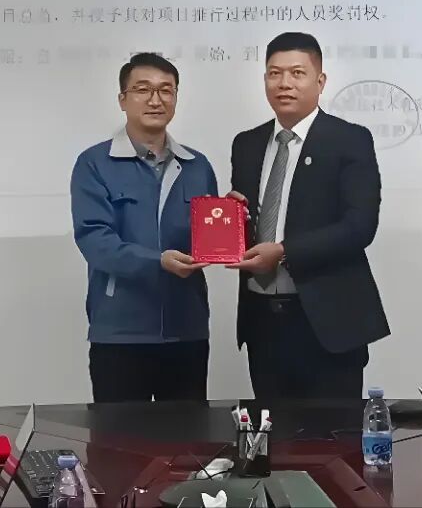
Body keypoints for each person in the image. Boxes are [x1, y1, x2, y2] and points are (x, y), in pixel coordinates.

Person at [227, 32, 390, 400]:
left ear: (320, 81)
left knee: (334, 433)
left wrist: (284, 251)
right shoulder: (246, 143)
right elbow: (254, 220)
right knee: (270, 431)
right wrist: (231, 219)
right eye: (274, 73)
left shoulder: (349, 139)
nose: (284, 83)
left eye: (297, 73)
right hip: (261, 319)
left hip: (327, 320)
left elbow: (360, 226)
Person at [70, 52, 217, 403]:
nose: (155, 99)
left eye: (166, 90)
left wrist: (233, 221)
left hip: (186, 331)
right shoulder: (94, 163)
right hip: (121, 333)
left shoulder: (197, 166)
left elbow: (207, 239)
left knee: (187, 435)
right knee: (119, 436)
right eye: (143, 89)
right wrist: (158, 261)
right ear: (123, 99)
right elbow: (95, 241)